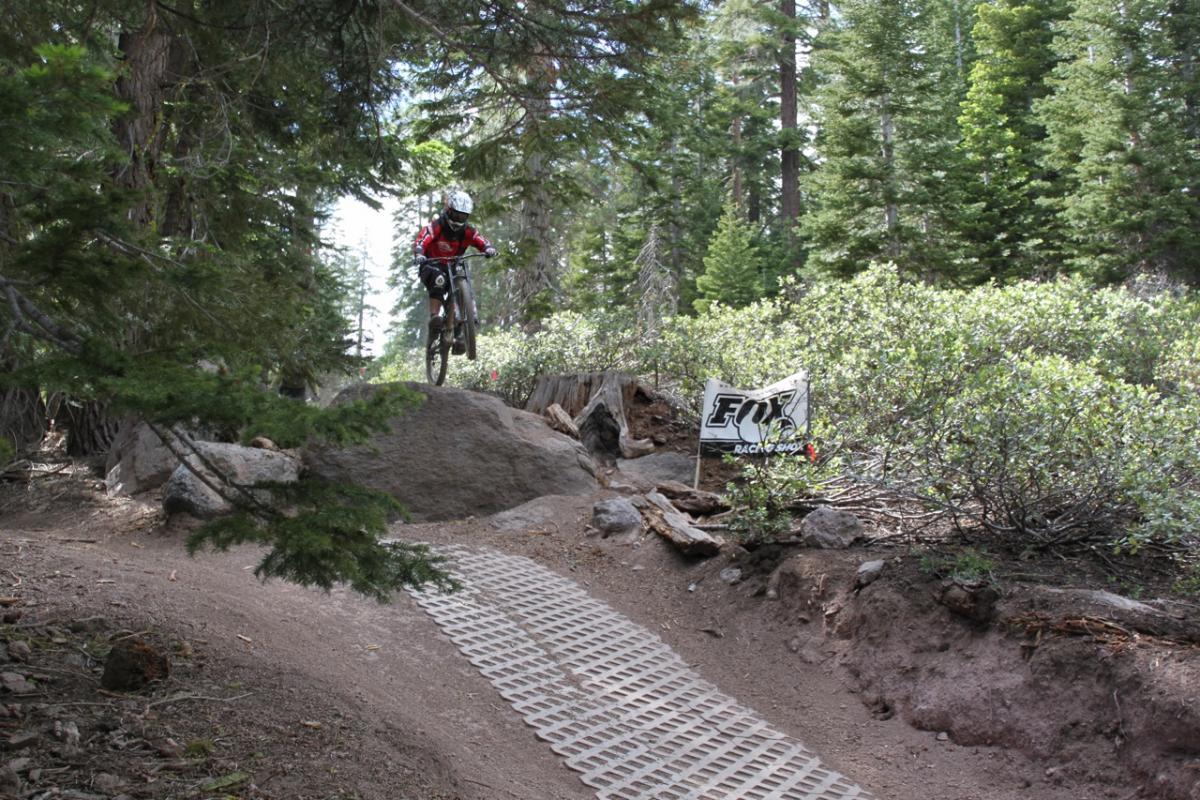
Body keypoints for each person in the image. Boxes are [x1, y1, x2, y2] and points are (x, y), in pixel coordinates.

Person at [412, 189, 496, 353]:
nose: (459, 220)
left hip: (452, 266)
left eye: (463, 216)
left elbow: (480, 239)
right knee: (439, 280)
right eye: (456, 215)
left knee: (458, 288)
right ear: (448, 211)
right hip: (431, 265)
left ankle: (459, 335)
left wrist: (488, 248)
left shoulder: (467, 231)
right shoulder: (437, 226)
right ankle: (434, 318)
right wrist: (419, 253)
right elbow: (422, 239)